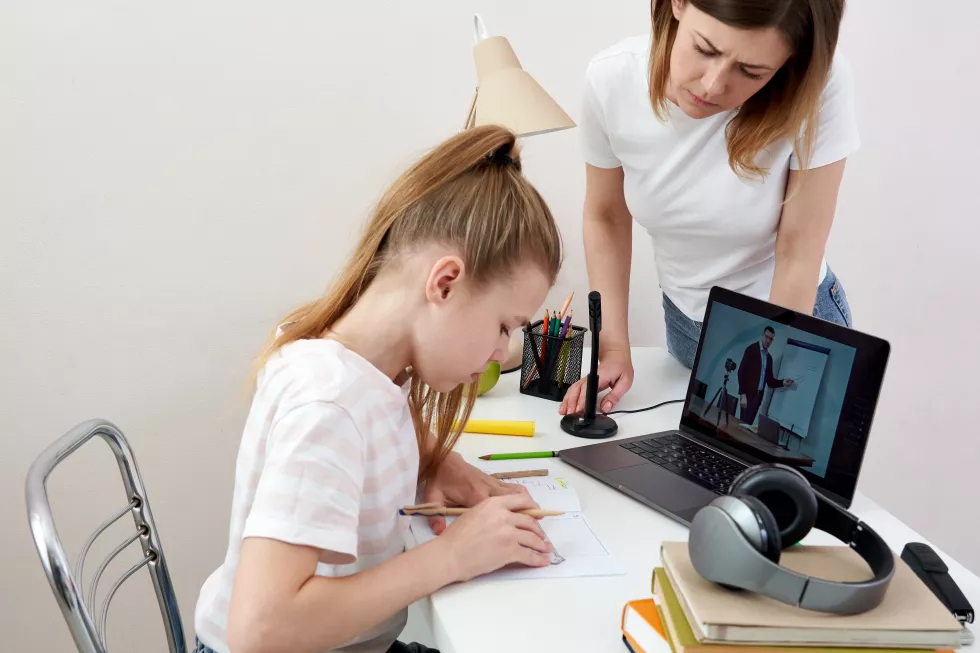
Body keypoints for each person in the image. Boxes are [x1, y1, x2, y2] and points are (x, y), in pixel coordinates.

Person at [192, 125, 564, 653]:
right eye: (505, 326)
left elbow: (374, 425)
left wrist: (436, 462)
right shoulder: (328, 404)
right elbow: (261, 631)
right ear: (445, 283)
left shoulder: (352, 356)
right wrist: (451, 557)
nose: (502, 353)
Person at [560, 0, 856, 418]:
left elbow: (799, 249)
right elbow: (606, 216)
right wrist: (612, 347)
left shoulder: (818, 86)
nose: (714, 85)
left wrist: (775, 365)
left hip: (790, 323)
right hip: (684, 325)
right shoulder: (611, 79)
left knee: (778, 478)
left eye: (751, 72)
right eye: (705, 48)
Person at [737, 325, 794, 424]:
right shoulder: (751, 349)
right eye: (767, 337)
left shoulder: (769, 358)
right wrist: (743, 394)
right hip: (748, 396)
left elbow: (770, 381)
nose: (768, 341)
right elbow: (741, 372)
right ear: (762, 335)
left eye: (771, 339)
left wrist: (782, 382)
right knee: (742, 425)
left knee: (748, 426)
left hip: (758, 398)